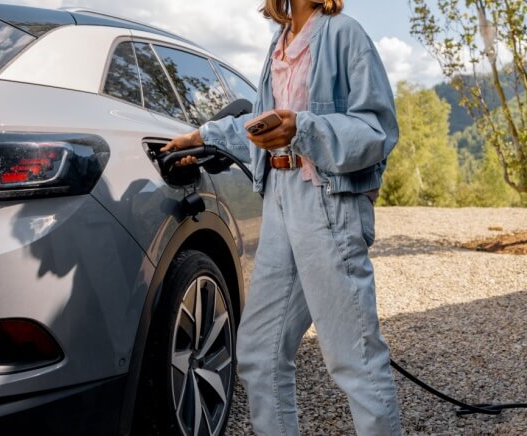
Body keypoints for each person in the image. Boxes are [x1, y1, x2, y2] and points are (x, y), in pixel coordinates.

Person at [160, 0, 402, 434]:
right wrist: (201, 136)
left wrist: (302, 129)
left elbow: (377, 131)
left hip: (327, 199)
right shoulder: (280, 43)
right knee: (259, 353)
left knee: (355, 359)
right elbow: (259, 125)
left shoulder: (344, 34)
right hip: (279, 198)